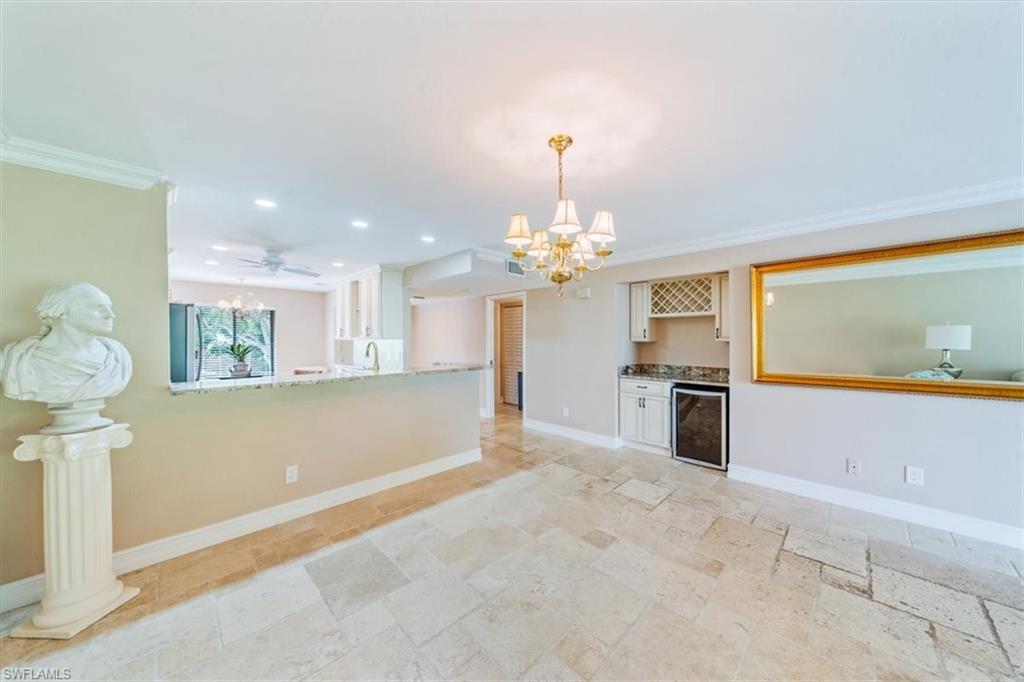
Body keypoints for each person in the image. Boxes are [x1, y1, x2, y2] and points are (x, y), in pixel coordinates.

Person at [0, 282, 132, 404]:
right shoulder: (18, 358)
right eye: (98, 308)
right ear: (61, 311)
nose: (111, 315)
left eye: (109, 308)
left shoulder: (116, 355)